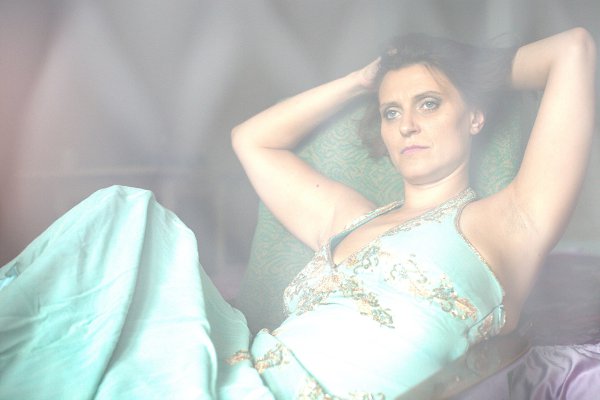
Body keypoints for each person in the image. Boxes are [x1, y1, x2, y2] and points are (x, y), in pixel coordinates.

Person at [0, 27, 595, 399]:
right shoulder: (350, 218)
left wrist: (463, 70)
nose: (408, 125)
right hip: (243, 379)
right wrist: (362, 81)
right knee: (124, 214)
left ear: (474, 116)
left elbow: (573, 50)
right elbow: (252, 140)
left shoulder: (505, 224)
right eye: (391, 112)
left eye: (429, 104)